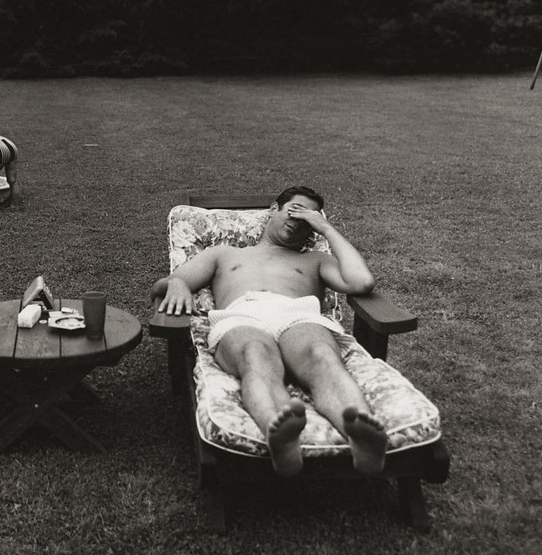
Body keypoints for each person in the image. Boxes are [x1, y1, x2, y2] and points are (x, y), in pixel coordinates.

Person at [152, 185, 388, 477]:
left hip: (298, 314)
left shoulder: (314, 260)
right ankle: (279, 432)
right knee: (255, 355)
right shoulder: (223, 254)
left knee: (322, 355)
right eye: (294, 211)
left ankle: (361, 438)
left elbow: (362, 282)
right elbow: (168, 283)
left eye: (307, 219)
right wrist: (176, 284)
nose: (298, 221)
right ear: (273, 210)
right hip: (241, 315)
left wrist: (326, 228)